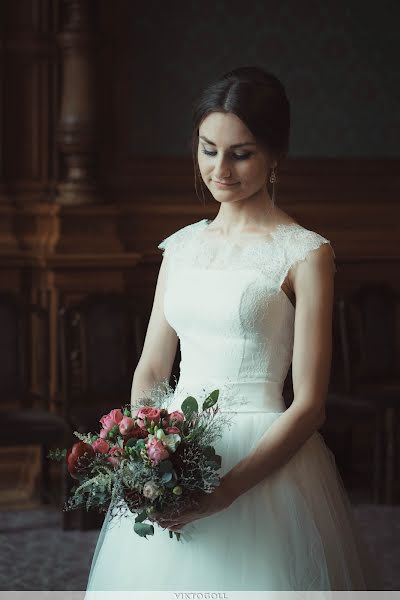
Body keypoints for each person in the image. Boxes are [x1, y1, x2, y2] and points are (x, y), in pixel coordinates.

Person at [85, 66, 381, 594]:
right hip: (174, 452)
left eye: (240, 153)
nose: (219, 169)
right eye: (207, 148)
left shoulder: (307, 253)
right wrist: (141, 455)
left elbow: (310, 404)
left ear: (274, 156)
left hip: (264, 459)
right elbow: (153, 368)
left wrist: (224, 493)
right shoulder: (179, 247)